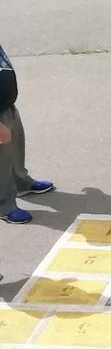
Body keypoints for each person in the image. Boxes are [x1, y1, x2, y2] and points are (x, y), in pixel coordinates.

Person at [0, 41, 55, 225]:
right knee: (2, 160)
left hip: (6, 106)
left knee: (15, 147)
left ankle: (20, 182)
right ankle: (4, 205)